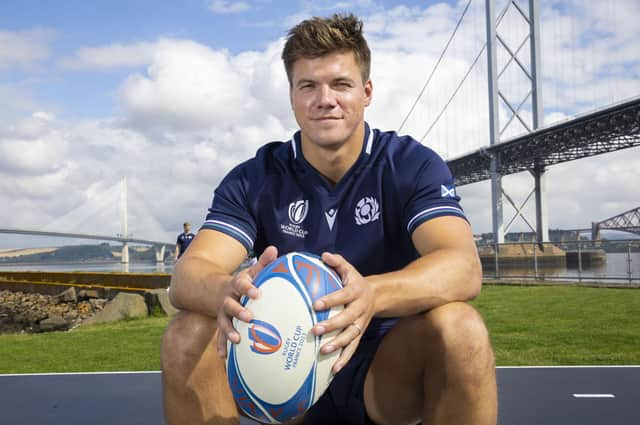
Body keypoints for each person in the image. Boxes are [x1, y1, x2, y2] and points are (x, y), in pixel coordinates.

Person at [162, 13, 497, 425]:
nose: (325, 99)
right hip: (284, 360)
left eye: (341, 84)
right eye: (308, 86)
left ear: (367, 91)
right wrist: (227, 290)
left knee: (461, 327)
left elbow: (463, 267)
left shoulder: (410, 165)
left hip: (384, 369)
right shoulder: (257, 176)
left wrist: (370, 295)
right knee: (187, 334)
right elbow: (187, 276)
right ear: (291, 96)